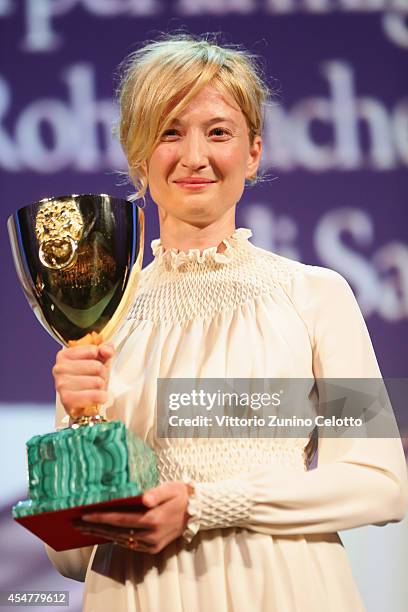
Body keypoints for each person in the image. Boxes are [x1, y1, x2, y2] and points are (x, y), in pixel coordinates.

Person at [46, 33, 408, 611]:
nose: (194, 156)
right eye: (169, 131)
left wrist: (204, 505)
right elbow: (68, 558)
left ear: (254, 151)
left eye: (218, 131)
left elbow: (381, 484)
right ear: (139, 155)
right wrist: (74, 424)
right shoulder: (99, 321)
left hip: (283, 588)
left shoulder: (313, 295)